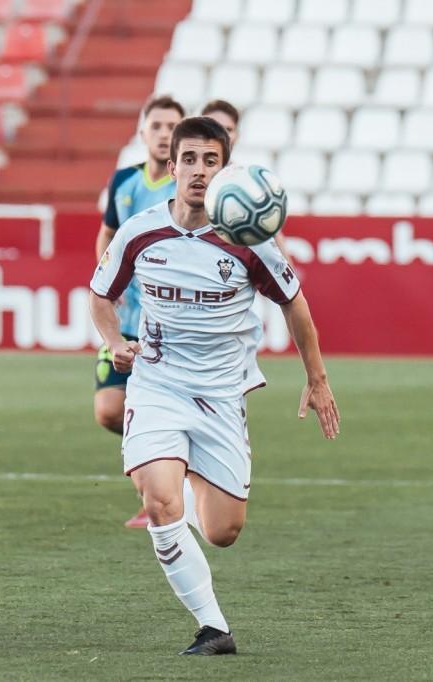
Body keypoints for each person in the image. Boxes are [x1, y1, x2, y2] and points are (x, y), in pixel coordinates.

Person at [88, 117, 339, 655]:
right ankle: (213, 626)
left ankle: (181, 481)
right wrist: (113, 342)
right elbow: (100, 294)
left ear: (224, 168)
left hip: (222, 395)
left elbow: (295, 304)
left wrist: (316, 380)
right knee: (158, 501)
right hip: (156, 385)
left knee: (223, 531)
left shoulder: (251, 239)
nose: (199, 172)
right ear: (172, 165)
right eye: (190, 160)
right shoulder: (140, 230)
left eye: (211, 161)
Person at [94, 95, 185, 529]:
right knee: (110, 411)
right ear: (143, 131)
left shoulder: (185, 186)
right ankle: (163, 483)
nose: (165, 134)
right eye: (158, 125)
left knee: (146, 412)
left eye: (173, 127)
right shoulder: (124, 181)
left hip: (166, 327)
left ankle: (158, 499)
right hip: (124, 320)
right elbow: (108, 234)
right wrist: (107, 278)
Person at [202, 99, 293, 262]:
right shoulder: (179, 180)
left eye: (228, 129)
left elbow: (272, 236)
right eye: (213, 127)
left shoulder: (250, 183)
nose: (221, 135)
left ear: (237, 135)